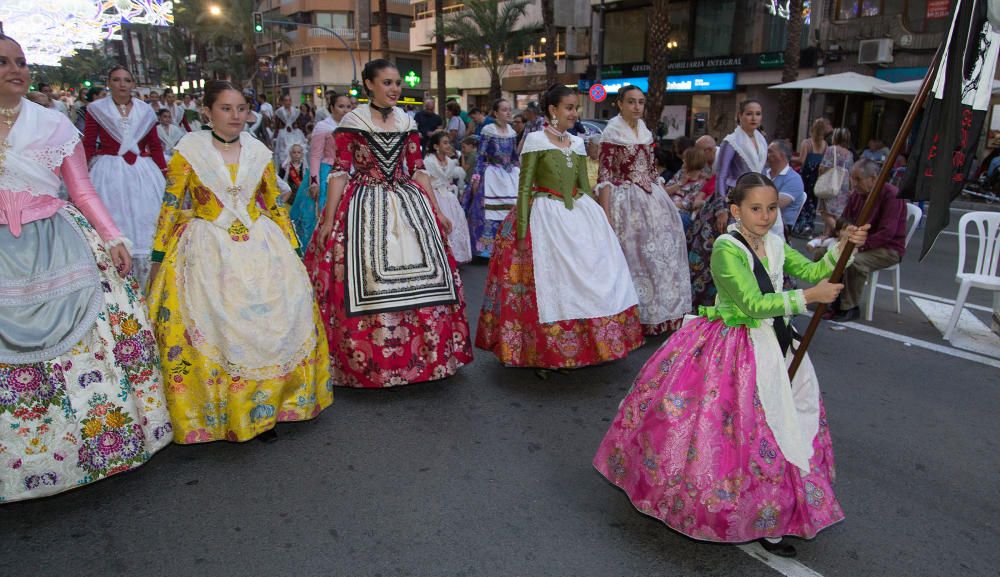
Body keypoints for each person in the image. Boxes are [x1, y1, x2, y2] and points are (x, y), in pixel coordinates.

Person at [594, 172, 870, 558]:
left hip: (774, 346)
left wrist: (844, 247)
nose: (766, 215)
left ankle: (771, 516)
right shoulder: (728, 247)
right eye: (756, 208)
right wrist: (808, 297)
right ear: (737, 210)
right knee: (731, 432)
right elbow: (751, 305)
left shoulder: (774, 243)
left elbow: (811, 271)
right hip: (733, 346)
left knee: (781, 428)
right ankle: (716, 506)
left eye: (772, 208)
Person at [0, 33, 171, 502]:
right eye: (3, 62)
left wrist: (113, 237)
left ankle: (94, 446)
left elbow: (82, 190)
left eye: (21, 60)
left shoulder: (54, 125)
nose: (16, 69)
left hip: (58, 239)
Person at [148, 80, 332, 443]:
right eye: (225, 108)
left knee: (270, 325)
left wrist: (294, 250)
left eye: (240, 109)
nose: (235, 116)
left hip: (260, 246)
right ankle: (226, 410)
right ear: (207, 112)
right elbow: (170, 207)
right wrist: (157, 258)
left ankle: (270, 407)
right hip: (207, 249)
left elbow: (274, 204)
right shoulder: (189, 151)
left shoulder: (258, 151)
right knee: (222, 325)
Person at [305, 59, 472, 388]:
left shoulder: (407, 121)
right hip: (364, 201)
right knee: (360, 276)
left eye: (397, 83)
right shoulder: (352, 121)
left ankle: (426, 359)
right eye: (387, 82)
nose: (394, 88)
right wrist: (327, 220)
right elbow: (339, 172)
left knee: (428, 277)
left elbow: (418, 170)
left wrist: (437, 211)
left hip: (408, 203)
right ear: (369, 84)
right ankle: (373, 361)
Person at [476, 84, 643, 371]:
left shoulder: (577, 143)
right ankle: (543, 350)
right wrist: (521, 230)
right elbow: (525, 187)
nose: (574, 113)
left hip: (579, 214)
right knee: (548, 284)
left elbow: (583, 187)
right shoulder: (536, 141)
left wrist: (598, 223)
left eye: (576, 108)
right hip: (544, 216)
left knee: (593, 275)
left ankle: (590, 346)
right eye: (569, 107)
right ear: (552, 110)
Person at [596, 86, 691, 336]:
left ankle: (662, 314)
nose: (637, 107)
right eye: (631, 102)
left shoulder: (645, 132)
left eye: (640, 102)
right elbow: (604, 175)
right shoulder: (611, 132)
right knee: (634, 256)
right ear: (620, 104)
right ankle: (634, 316)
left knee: (662, 252)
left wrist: (667, 194)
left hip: (651, 197)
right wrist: (605, 214)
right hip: (624, 200)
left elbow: (651, 171)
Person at [84, 65, 167, 291]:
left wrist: (164, 172)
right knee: (114, 215)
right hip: (109, 172)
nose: (122, 84)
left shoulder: (145, 110)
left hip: (142, 172)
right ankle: (117, 278)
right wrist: (80, 175)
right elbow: (89, 142)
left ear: (133, 84)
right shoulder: (96, 109)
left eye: (127, 80)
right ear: (109, 83)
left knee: (146, 217)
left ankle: (148, 280)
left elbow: (155, 145)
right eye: (117, 80)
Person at [827, 159, 908, 322]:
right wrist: (842, 231)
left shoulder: (892, 195)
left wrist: (860, 245)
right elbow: (844, 218)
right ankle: (830, 299)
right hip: (858, 240)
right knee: (824, 253)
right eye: (852, 179)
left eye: (858, 179)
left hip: (887, 248)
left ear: (873, 178)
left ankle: (849, 306)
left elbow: (887, 233)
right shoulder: (857, 195)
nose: (854, 183)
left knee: (853, 261)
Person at [292, 92, 352, 252]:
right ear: (332, 107)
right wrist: (314, 182)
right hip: (326, 174)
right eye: (340, 106)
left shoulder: (353, 126)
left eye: (348, 106)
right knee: (318, 218)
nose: (345, 110)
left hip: (347, 174)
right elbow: (315, 155)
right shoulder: (323, 126)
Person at [464, 103, 522, 259]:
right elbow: (481, 155)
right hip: (492, 175)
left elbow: (514, 156)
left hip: (509, 175)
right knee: (487, 213)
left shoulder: (512, 132)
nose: (508, 112)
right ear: (495, 113)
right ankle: (486, 249)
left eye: (510, 110)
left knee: (511, 212)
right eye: (504, 110)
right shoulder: (488, 130)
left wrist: (521, 173)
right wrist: (476, 177)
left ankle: (507, 246)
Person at [424, 132, 473, 264]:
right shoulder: (428, 162)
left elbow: (459, 174)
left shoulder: (451, 162)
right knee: (439, 225)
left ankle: (455, 255)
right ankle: (439, 256)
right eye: (444, 143)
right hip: (435, 196)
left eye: (448, 143)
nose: (448, 145)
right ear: (436, 146)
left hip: (449, 197)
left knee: (455, 224)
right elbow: (425, 181)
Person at [715, 99, 767, 196]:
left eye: (758, 114)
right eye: (749, 114)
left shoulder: (762, 140)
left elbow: (763, 169)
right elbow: (721, 174)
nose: (754, 118)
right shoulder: (731, 141)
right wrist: (721, 202)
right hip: (738, 193)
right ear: (740, 115)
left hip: (760, 191)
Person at [793, 118, 829, 238]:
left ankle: (801, 226)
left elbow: (801, 161)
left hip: (806, 175)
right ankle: (809, 225)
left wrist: (789, 158)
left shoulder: (807, 143)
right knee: (813, 201)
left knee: (802, 200)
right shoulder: (825, 145)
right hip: (817, 176)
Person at [817, 127, 855, 236]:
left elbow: (823, 167)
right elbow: (851, 172)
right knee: (836, 212)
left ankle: (841, 233)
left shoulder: (831, 149)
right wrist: (851, 189)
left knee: (825, 211)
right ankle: (826, 234)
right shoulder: (850, 154)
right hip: (844, 184)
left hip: (831, 182)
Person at [765, 139, 806, 237]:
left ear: (782, 156)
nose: (766, 154)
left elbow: (774, 204)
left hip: (778, 232)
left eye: (770, 151)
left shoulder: (794, 179)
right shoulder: (762, 172)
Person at [665, 147, 709, 231]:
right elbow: (665, 191)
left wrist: (668, 205)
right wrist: (680, 183)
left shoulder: (701, 181)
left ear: (692, 161)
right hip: (668, 206)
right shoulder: (681, 173)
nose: (683, 160)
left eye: (685, 159)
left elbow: (688, 204)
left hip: (682, 212)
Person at [273, 94, 306, 166]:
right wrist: (275, 136)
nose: (288, 102)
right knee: (284, 150)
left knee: (298, 148)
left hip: (295, 133)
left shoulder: (296, 111)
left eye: (289, 100)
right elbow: (277, 125)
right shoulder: (279, 111)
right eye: (286, 100)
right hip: (283, 133)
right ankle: (285, 167)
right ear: (283, 102)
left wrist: (301, 131)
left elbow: (299, 123)